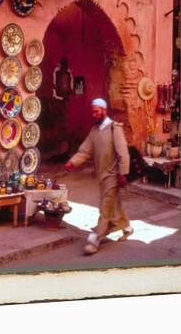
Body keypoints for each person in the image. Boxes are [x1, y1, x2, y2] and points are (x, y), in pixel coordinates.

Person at [64, 98, 133, 255]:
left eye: (96, 111)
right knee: (113, 204)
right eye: (92, 112)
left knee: (105, 207)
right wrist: (72, 163)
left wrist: (123, 174)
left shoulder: (114, 129)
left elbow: (123, 153)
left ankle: (94, 240)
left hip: (114, 176)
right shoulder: (94, 131)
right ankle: (127, 227)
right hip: (101, 176)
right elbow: (85, 151)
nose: (94, 114)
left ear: (104, 110)